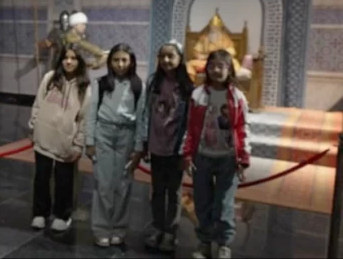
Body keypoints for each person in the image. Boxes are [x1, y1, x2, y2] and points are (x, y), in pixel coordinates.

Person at [182, 49, 251, 259]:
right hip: (202, 156)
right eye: (212, 66)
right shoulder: (198, 95)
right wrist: (187, 154)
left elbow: (242, 127)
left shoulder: (237, 97)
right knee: (202, 202)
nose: (216, 70)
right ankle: (204, 241)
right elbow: (191, 127)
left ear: (229, 69)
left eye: (221, 66)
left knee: (224, 204)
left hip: (228, 158)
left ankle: (224, 243)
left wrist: (243, 157)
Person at [135, 40, 194, 252]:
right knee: (157, 190)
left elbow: (190, 121)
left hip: (175, 147)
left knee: (174, 191)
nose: (166, 60)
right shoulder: (154, 82)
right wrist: (144, 141)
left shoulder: (187, 87)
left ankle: (171, 231)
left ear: (180, 59)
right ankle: (158, 227)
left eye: (171, 56)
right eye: (163, 56)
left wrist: (185, 150)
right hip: (156, 145)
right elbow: (146, 112)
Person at [85, 43, 145, 247]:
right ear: (110, 62)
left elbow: (141, 118)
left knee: (123, 184)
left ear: (131, 62)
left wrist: (138, 147)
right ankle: (101, 228)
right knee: (103, 184)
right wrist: (90, 141)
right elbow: (92, 113)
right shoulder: (101, 83)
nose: (120, 64)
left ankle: (118, 228)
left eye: (124, 60)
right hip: (104, 133)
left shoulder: (138, 86)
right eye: (116, 60)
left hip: (126, 135)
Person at [29, 44, 91, 233]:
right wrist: (34, 126)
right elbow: (38, 104)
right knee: (41, 177)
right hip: (44, 136)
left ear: (79, 62)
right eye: (65, 57)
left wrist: (78, 144)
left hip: (66, 141)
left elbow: (84, 118)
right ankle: (40, 212)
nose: (69, 62)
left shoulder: (85, 87)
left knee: (64, 180)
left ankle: (62, 215)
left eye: (73, 58)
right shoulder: (50, 78)